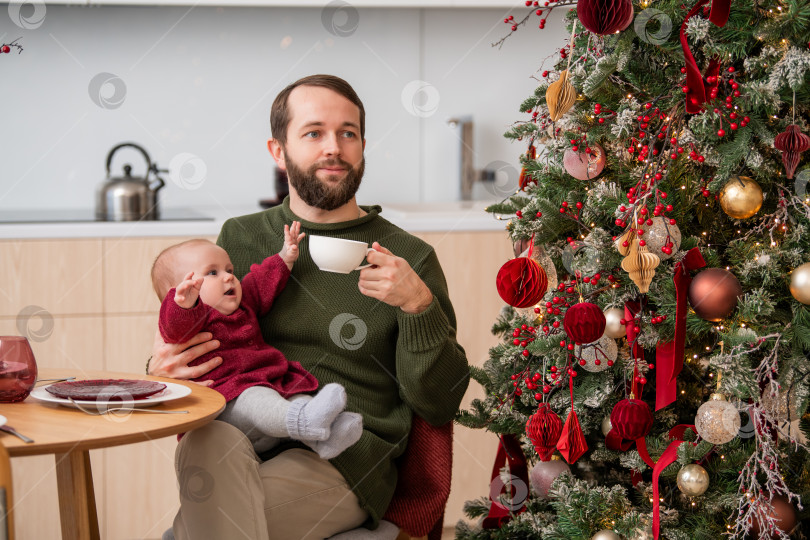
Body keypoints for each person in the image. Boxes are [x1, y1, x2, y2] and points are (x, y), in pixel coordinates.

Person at [149, 74, 470, 540]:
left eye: (348, 133)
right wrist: (163, 366)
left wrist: (419, 307)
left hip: (342, 454)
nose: (333, 148)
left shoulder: (407, 258)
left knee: (197, 531)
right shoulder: (241, 239)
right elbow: (192, 331)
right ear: (278, 151)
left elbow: (439, 402)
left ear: (362, 145)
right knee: (208, 439)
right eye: (313, 132)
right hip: (244, 437)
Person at [150, 224, 362, 460]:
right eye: (213, 273)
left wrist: (285, 256)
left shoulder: (243, 304)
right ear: (181, 289)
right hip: (226, 406)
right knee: (255, 399)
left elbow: (261, 281)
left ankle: (327, 438)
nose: (229, 276)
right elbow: (173, 326)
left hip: (271, 398)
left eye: (229, 269)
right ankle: (304, 421)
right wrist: (181, 305)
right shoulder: (191, 319)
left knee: (295, 396)